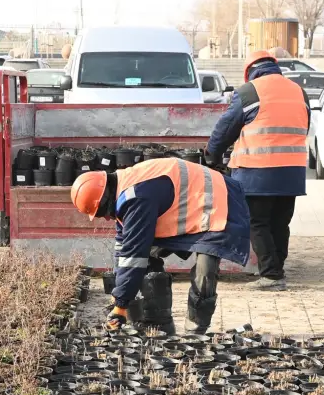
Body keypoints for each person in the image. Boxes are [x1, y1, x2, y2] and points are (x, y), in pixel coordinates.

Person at [70, 157, 250, 332]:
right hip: (189, 203)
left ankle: (195, 331)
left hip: (217, 201)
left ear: (105, 199)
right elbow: (124, 248)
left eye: (102, 212)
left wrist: (121, 305)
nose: (107, 217)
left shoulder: (137, 197)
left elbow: (134, 254)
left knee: (205, 268)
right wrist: (118, 295)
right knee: (146, 256)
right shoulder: (123, 191)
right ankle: (159, 325)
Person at [205, 50, 311, 291]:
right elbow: (304, 125)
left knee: (258, 222)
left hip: (257, 171)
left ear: (250, 72)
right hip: (292, 172)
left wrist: (211, 155)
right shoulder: (298, 91)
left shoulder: (248, 92)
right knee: (280, 223)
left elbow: (225, 129)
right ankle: (277, 269)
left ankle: (272, 277)